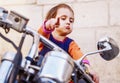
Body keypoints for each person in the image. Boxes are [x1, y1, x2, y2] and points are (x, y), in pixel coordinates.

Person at [38, 3, 99, 83]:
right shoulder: (46, 37)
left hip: (62, 79)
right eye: (63, 18)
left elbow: (79, 56)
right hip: (42, 75)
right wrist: (48, 24)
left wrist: (88, 68)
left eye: (71, 20)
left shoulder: (70, 43)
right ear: (52, 19)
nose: (68, 22)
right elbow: (41, 34)